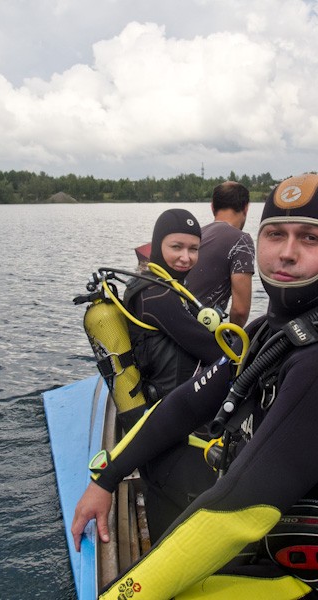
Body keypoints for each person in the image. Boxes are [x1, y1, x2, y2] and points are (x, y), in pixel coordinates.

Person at [72, 174, 318, 599]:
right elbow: (183, 407)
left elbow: (240, 511)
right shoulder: (270, 334)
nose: (286, 253)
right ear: (257, 240)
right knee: (162, 457)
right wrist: (107, 478)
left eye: (310, 238)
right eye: (274, 235)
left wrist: (123, 595)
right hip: (277, 531)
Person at [123, 207, 225, 542]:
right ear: (157, 245)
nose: (185, 257)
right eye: (176, 247)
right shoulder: (158, 295)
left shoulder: (162, 286)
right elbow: (212, 350)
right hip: (169, 421)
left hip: (170, 414)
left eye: (193, 249)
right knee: (178, 502)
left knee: (163, 497)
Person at [186, 181, 255, 327]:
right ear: (246, 208)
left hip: (173, 327)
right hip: (198, 332)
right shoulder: (241, 240)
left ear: (212, 207)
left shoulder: (196, 235)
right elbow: (240, 310)